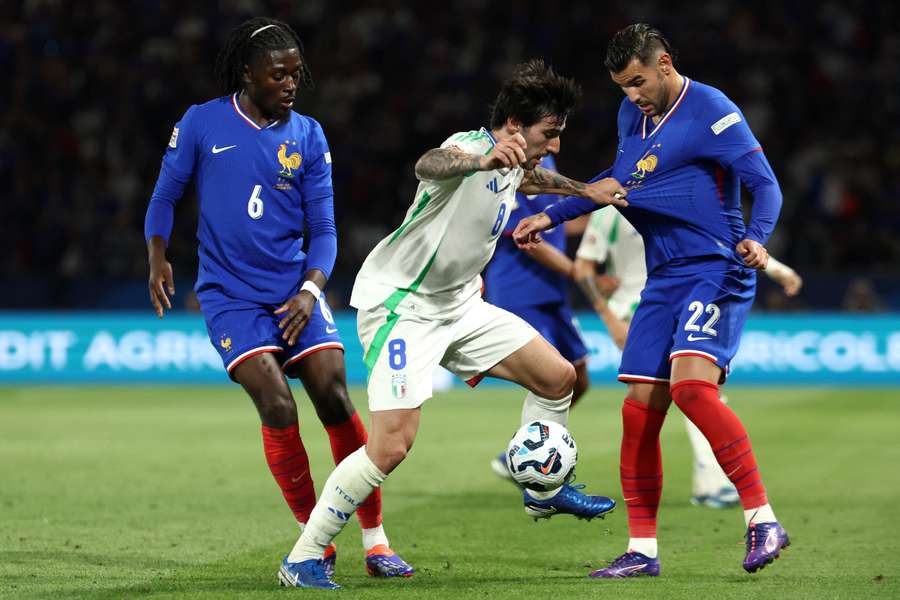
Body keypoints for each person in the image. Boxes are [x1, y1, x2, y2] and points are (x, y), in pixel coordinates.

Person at [281, 59, 628, 589]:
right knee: (392, 444)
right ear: (514, 124)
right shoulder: (468, 147)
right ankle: (303, 558)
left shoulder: (514, 161)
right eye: (549, 133)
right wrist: (480, 160)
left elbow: (531, 179)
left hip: (460, 305)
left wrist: (586, 191)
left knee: (558, 378)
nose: (554, 144)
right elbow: (429, 164)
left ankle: (542, 488)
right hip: (405, 306)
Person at [142, 17, 412, 584]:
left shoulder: (308, 135)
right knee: (278, 405)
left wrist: (312, 289)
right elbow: (166, 194)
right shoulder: (201, 122)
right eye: (279, 74)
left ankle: (376, 538)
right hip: (230, 294)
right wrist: (158, 253)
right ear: (248, 73)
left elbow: (326, 229)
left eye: (297, 73)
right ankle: (316, 543)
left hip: (295, 290)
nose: (292, 83)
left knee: (335, 395)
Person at [514, 24, 790, 576]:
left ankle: (762, 519)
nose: (632, 95)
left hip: (716, 266)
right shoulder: (630, 115)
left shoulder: (712, 109)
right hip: (663, 279)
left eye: (638, 82)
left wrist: (757, 236)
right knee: (639, 409)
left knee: (691, 389)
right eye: (622, 87)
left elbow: (766, 184)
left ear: (664, 63)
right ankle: (642, 551)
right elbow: (616, 182)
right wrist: (550, 213)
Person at [574, 206, 803, 508]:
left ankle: (707, 484)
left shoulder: (685, 196)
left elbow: (726, 244)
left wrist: (776, 269)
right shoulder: (612, 207)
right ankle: (707, 486)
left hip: (683, 304)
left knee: (693, 391)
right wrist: (611, 320)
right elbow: (583, 267)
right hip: (637, 311)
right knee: (688, 393)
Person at [483, 153, 592, 480]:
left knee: (579, 377)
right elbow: (530, 239)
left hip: (551, 290)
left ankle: (523, 457)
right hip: (519, 288)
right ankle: (533, 466)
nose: (557, 145)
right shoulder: (513, 168)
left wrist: (603, 213)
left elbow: (556, 220)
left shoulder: (548, 164)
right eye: (551, 131)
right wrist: (580, 273)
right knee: (551, 377)